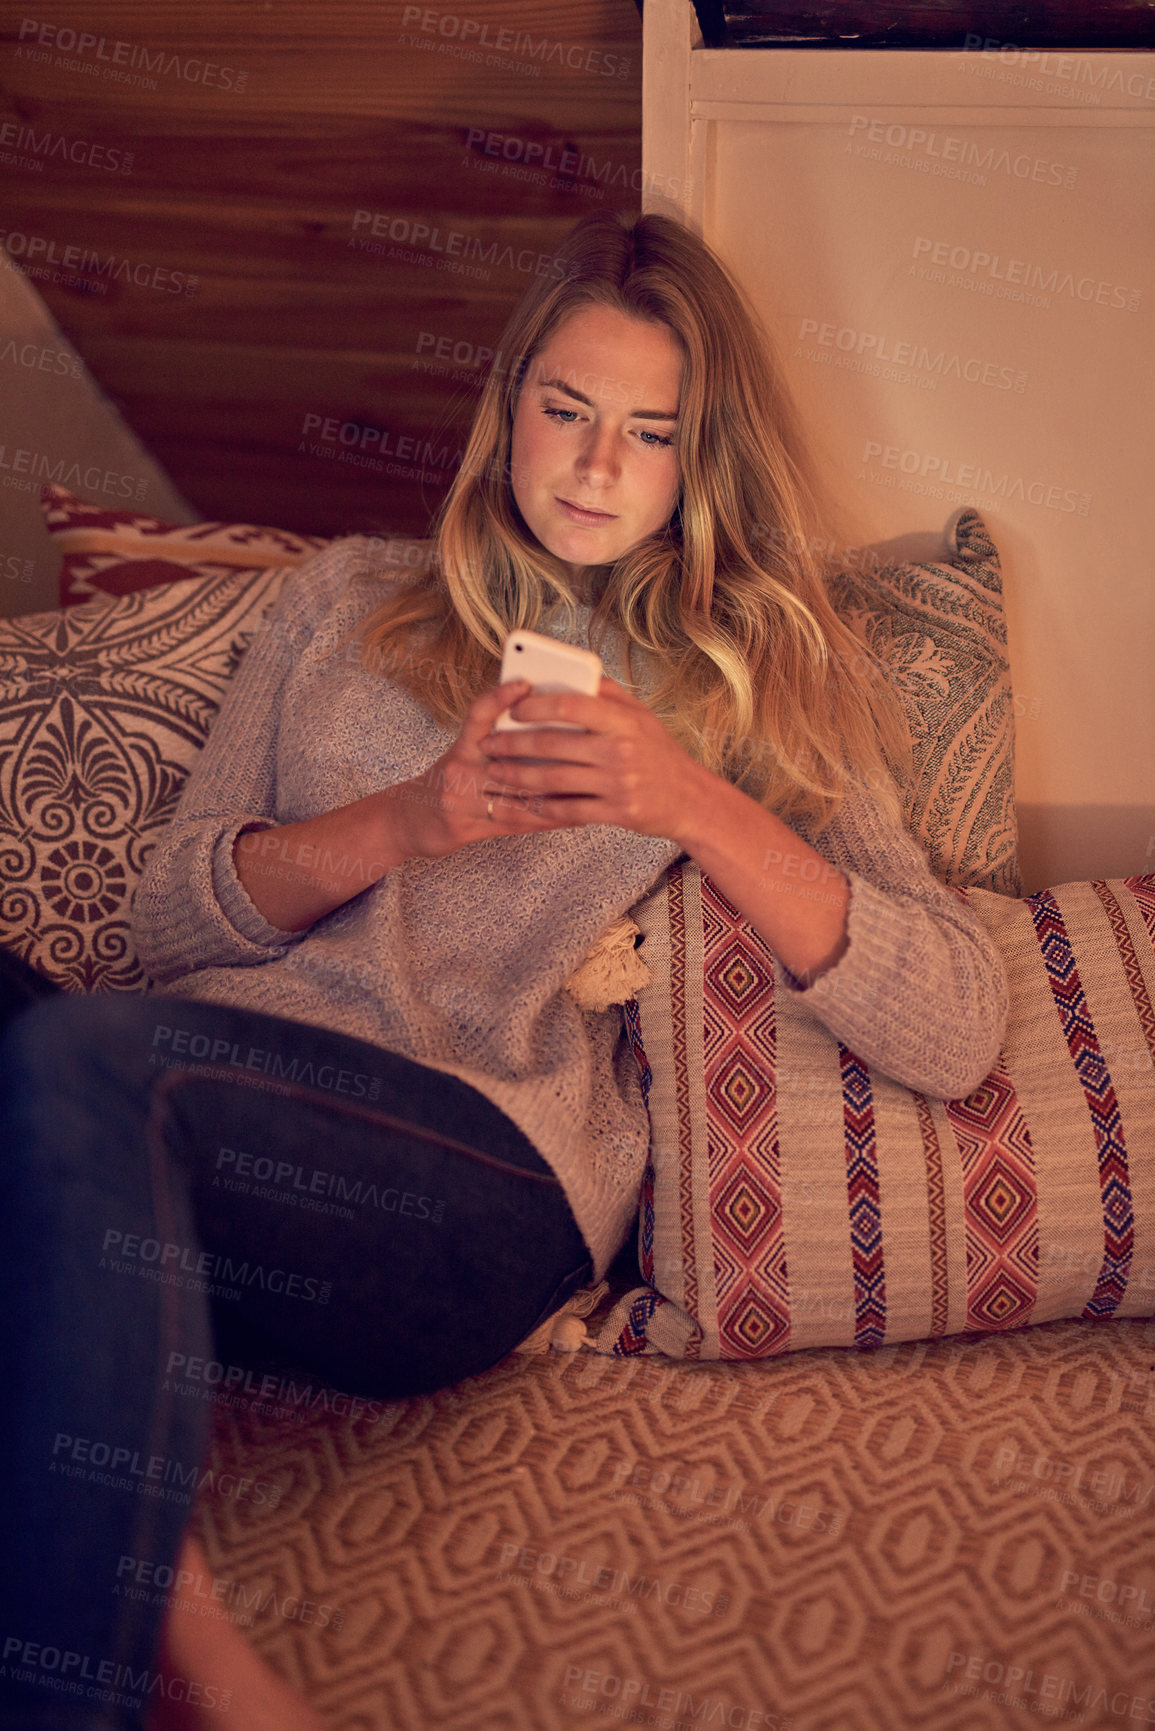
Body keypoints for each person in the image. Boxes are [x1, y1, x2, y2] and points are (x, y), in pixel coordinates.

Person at [0, 210, 1008, 1730]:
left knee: (80, 1062)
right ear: (509, 409)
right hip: (189, 1145)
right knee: (64, 1057)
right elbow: (161, 923)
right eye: (566, 411)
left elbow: (955, 1020)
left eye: (651, 433)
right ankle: (192, 1630)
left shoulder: (759, 672)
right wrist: (409, 821)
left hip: (467, 1190)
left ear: (698, 460)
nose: (597, 467)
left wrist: (688, 800)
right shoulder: (341, 598)